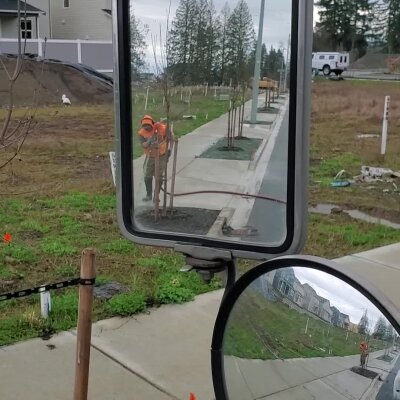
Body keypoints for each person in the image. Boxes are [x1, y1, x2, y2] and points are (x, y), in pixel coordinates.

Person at [138, 115, 173, 201]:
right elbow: (143, 145)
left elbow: (171, 138)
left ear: (152, 124)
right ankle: (149, 194)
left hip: (161, 155)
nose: (146, 128)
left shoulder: (161, 128)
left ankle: (156, 196)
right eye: (144, 126)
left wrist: (170, 150)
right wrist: (149, 141)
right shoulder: (141, 133)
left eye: (148, 126)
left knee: (159, 177)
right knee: (147, 175)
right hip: (150, 156)